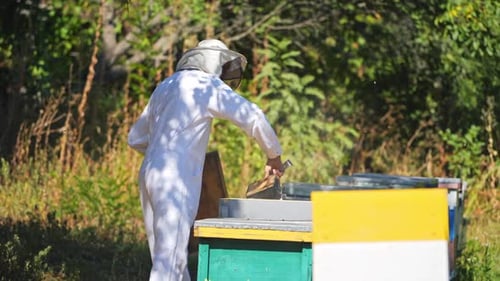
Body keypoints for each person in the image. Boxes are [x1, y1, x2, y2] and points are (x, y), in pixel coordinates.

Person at [127, 39, 285, 281]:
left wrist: (164, 150)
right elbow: (251, 115)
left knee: (168, 258)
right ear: (214, 61)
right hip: (174, 179)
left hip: (150, 171)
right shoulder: (206, 85)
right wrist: (273, 155)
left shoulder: (166, 85)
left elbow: (135, 138)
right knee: (169, 263)